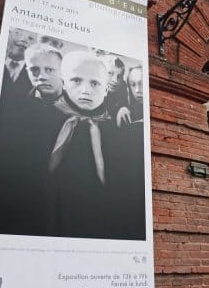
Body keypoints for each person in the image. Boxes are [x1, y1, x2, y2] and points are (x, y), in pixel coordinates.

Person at [47, 50, 145, 240]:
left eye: (95, 83)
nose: (85, 90)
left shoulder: (118, 130)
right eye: (76, 80)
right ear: (64, 82)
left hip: (101, 224)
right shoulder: (44, 118)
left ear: (106, 89)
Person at [0, 44, 65, 236]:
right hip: (27, 201)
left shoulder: (80, 109)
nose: (41, 76)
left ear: (61, 71)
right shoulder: (14, 108)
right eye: (34, 69)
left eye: (49, 70)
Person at [102, 55, 129, 125]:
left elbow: (124, 103)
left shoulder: (123, 87)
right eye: (110, 73)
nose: (115, 80)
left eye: (119, 76)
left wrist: (123, 108)